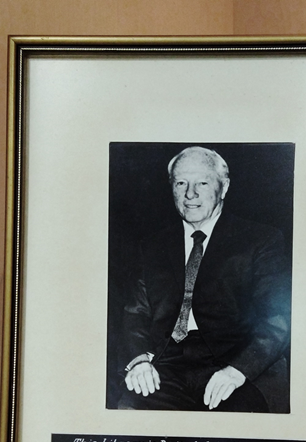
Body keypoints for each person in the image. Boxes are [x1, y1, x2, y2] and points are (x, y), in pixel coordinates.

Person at [119, 146, 290, 412]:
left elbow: (277, 320)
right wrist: (140, 360)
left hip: (235, 365)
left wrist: (236, 371)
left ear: (224, 187)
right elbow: (135, 313)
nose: (190, 194)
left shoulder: (261, 240)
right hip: (167, 364)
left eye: (202, 182)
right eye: (181, 183)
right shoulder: (152, 245)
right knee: (130, 413)